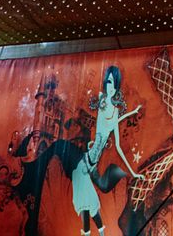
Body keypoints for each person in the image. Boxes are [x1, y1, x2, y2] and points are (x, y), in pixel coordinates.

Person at [71, 65, 140, 235]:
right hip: (84, 166)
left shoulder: (115, 111)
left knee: (91, 206)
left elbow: (117, 145)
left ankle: (100, 233)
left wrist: (133, 172)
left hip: (90, 165)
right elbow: (102, 126)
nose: (109, 87)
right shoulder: (102, 101)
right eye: (107, 82)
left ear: (116, 86)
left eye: (112, 83)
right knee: (88, 207)